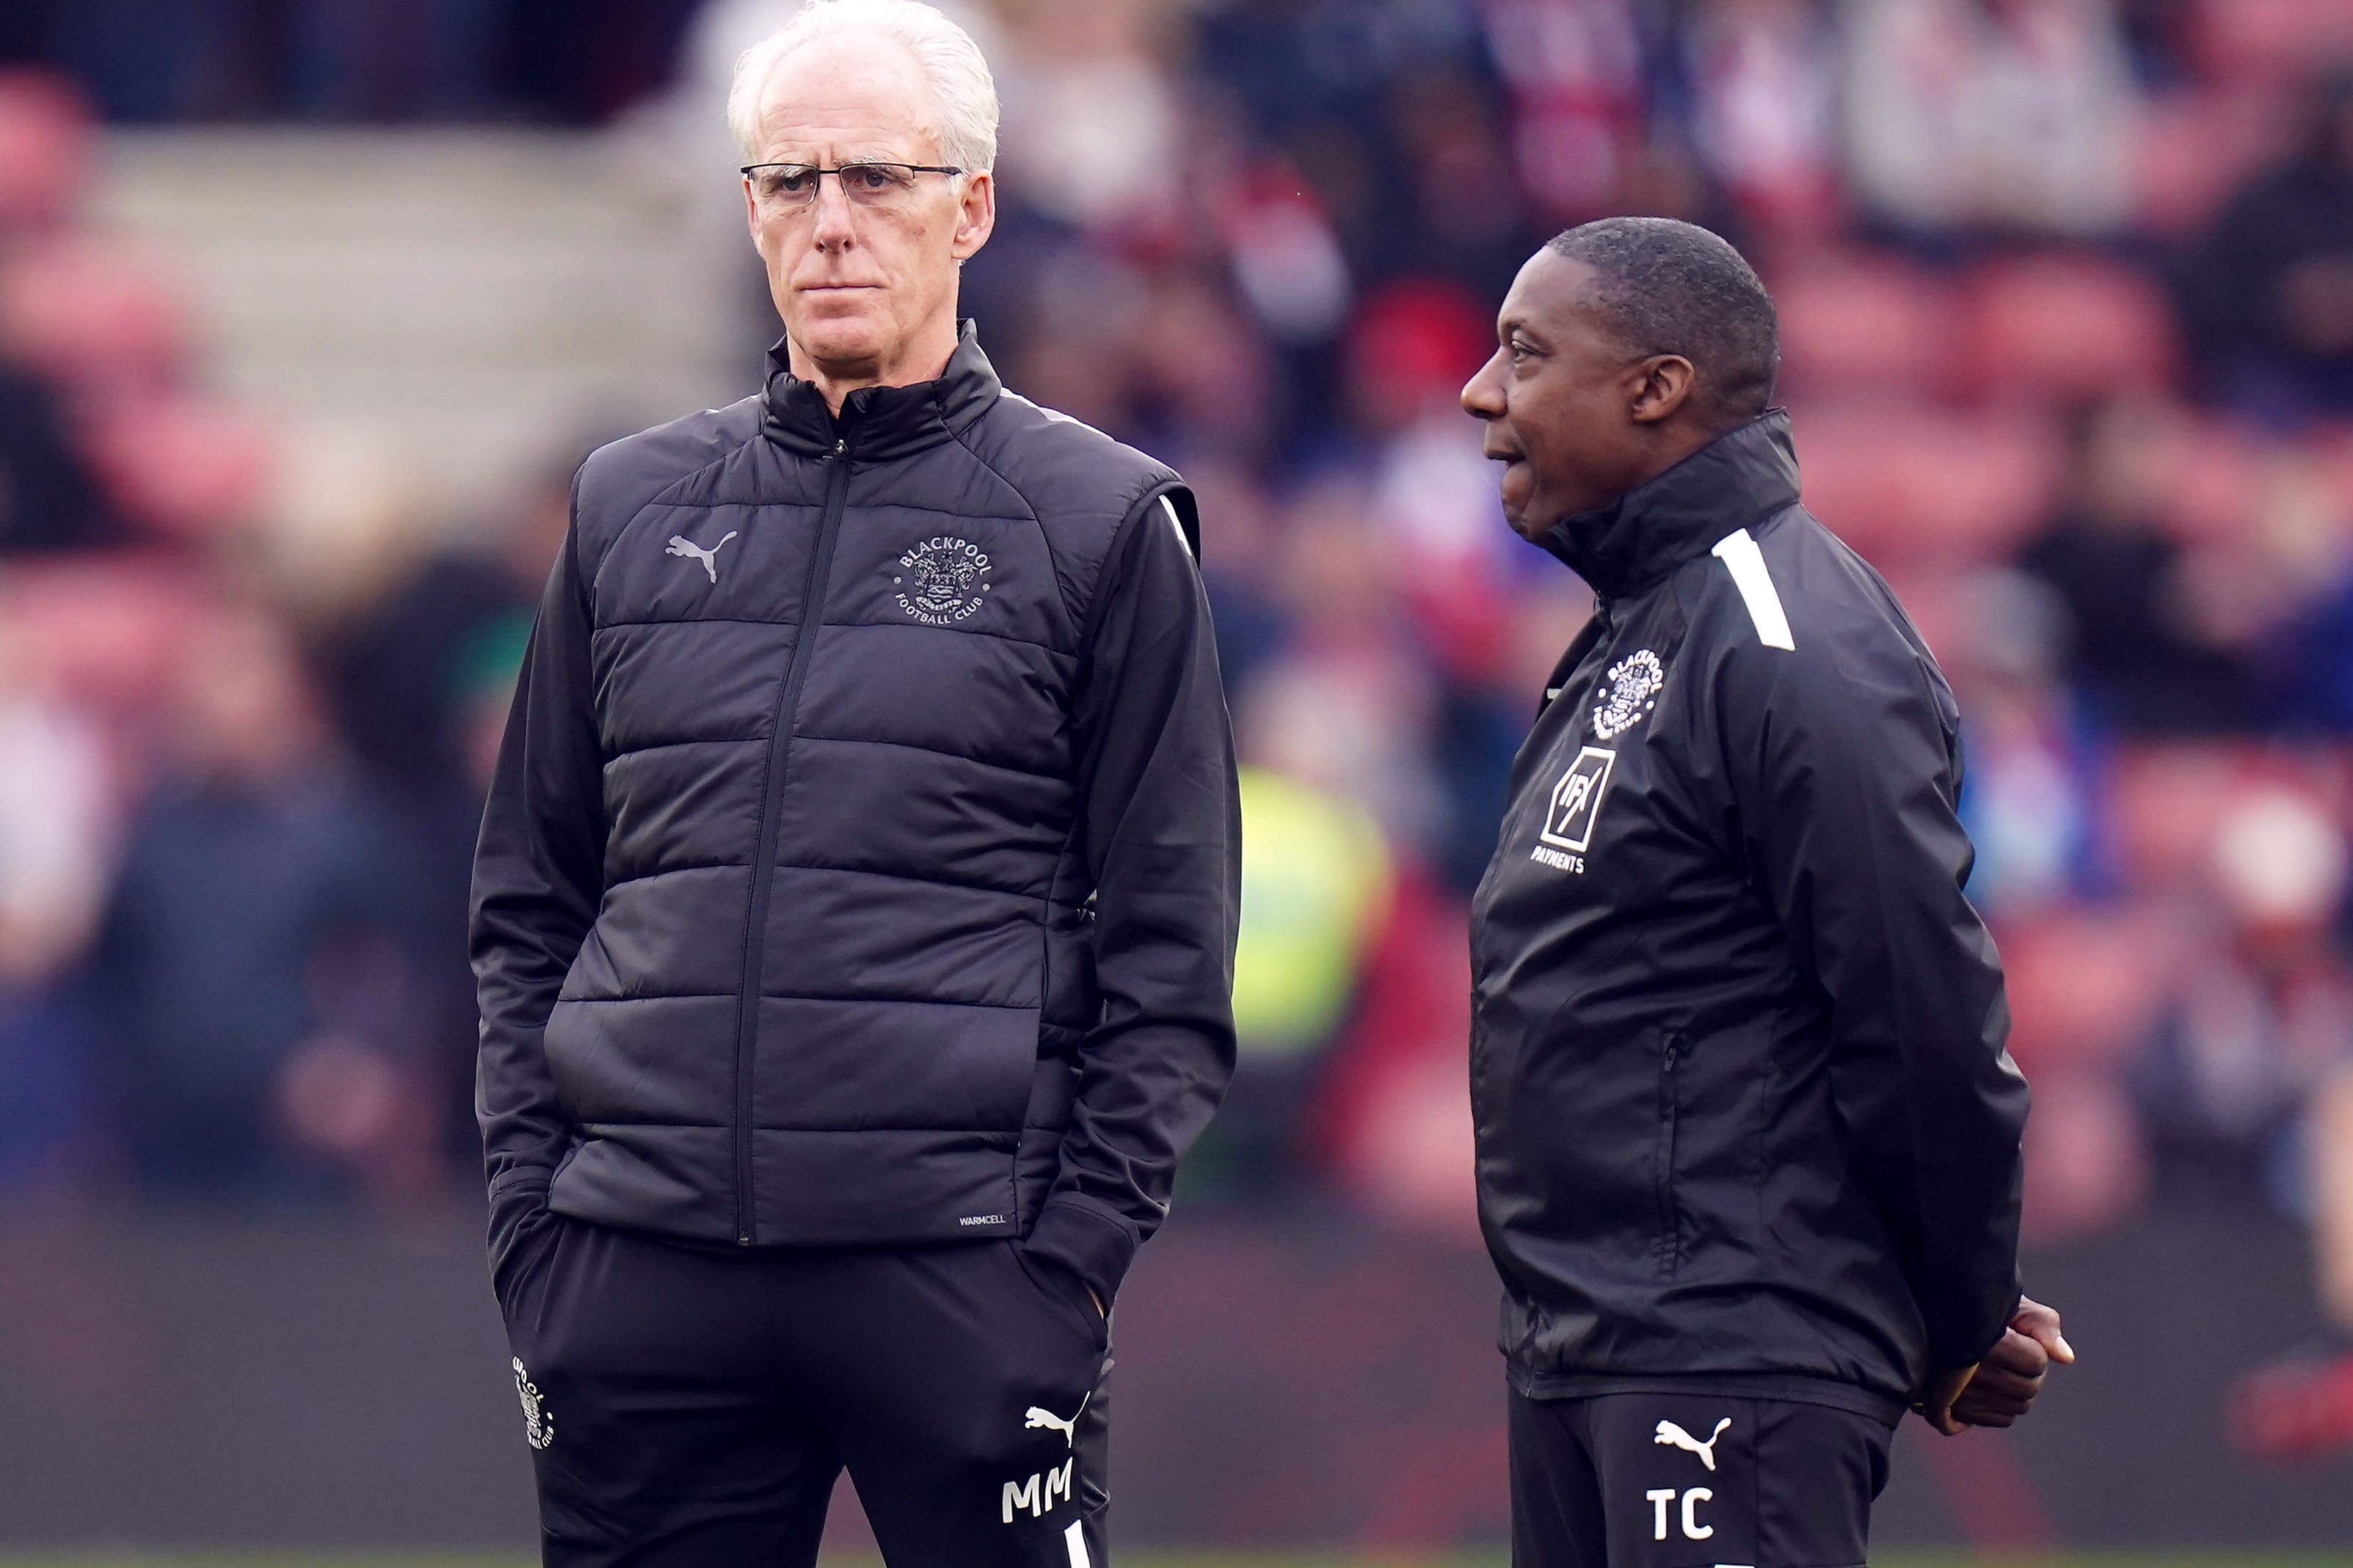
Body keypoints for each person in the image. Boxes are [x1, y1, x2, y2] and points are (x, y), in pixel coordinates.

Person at [468, 3, 1240, 1564]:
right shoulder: (626, 506)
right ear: (747, 208)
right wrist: (537, 1228)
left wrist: (1069, 1266)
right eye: (789, 181)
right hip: (641, 1270)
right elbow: (529, 896)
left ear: (972, 206)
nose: (829, 224)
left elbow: (1173, 945)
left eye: (876, 179)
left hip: (962, 1272)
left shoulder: (1100, 520)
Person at [1458, 216, 2070, 1567]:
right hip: (1588, 1346)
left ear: (1655, 387)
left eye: (1523, 352)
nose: (1479, 392)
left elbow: (1918, 1008)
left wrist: (1960, 1306)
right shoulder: (1645, 626)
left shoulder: (1782, 636)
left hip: (1725, 1348)